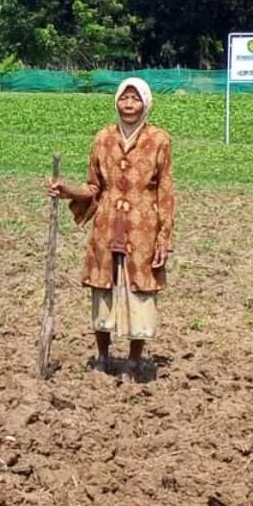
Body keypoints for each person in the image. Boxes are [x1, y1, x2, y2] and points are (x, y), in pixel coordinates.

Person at [48, 77, 174, 381]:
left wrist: (164, 235)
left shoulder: (159, 140)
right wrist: (68, 191)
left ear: (146, 103)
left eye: (135, 99)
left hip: (143, 227)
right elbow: (94, 186)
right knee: (102, 287)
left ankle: (133, 361)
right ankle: (103, 357)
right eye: (124, 98)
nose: (128, 105)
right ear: (116, 101)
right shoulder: (102, 138)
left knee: (140, 290)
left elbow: (165, 191)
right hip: (106, 226)